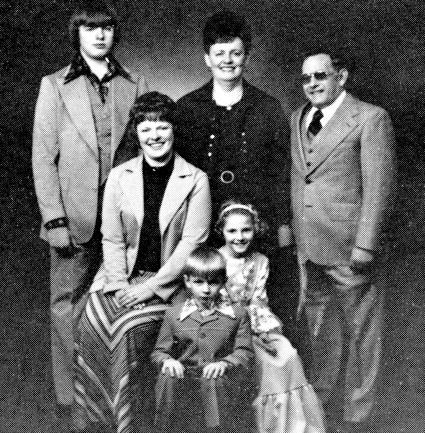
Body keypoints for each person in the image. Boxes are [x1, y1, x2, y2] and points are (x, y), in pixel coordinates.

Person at [32, 0, 147, 418]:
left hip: (121, 220)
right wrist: (55, 220)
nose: (100, 35)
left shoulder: (133, 82)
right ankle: (70, 400)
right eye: (90, 28)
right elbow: (43, 158)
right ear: (77, 34)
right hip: (73, 219)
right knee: (67, 306)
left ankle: (112, 397)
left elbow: (142, 151)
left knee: (117, 304)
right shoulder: (54, 85)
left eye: (107, 28)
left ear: (115, 33)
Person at [72, 92, 212, 433]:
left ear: (174, 130)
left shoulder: (196, 179)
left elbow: (192, 245)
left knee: (126, 330)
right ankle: (94, 420)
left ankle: (125, 422)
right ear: (136, 133)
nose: (155, 136)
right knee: (90, 322)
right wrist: (119, 284)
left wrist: (148, 289)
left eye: (162, 127)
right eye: (146, 128)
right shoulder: (120, 176)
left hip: (168, 284)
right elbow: (112, 239)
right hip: (120, 277)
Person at [284, 49, 397, 432]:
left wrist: (366, 245)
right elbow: (302, 180)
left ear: (341, 76)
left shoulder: (370, 118)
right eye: (306, 78)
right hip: (309, 248)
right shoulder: (298, 117)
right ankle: (322, 408)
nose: (312, 84)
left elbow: (379, 187)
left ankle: (358, 417)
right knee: (320, 333)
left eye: (321, 75)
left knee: (363, 334)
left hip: (351, 249)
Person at [114, 10, 292, 251]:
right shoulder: (187, 107)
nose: (227, 60)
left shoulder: (268, 107)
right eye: (219, 53)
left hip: (255, 226)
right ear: (207, 59)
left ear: (247, 58)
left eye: (236, 53)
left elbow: (281, 172)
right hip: (198, 223)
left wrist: (283, 225)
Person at [216, 201, 326, 433]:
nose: (239, 237)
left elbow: (258, 301)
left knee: (287, 354)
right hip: (225, 327)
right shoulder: (215, 260)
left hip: (256, 325)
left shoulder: (261, 261)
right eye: (232, 231)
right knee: (265, 363)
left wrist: (264, 332)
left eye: (246, 230)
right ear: (221, 231)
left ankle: (289, 427)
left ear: (255, 229)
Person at [151, 246, 254, 433]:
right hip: (183, 378)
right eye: (198, 282)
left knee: (213, 379)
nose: (206, 289)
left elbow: (244, 352)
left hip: (218, 382)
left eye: (213, 282)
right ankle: (163, 428)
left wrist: (224, 363)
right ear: (187, 282)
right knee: (167, 376)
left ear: (223, 281)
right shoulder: (174, 314)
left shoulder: (237, 314)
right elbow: (159, 352)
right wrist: (167, 361)